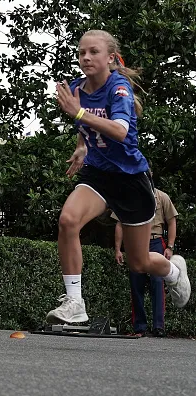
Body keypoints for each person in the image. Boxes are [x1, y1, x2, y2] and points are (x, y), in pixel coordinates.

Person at [47, 29, 190, 324]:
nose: (85, 57)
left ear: (110, 57)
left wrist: (78, 114)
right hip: (98, 175)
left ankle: (173, 271)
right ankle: (74, 302)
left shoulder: (119, 88)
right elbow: (84, 128)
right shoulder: (77, 88)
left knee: (139, 262)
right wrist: (81, 147)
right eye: (81, 52)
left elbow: (120, 131)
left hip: (130, 180)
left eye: (93, 52)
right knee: (68, 220)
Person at [113, 182, 178, 337]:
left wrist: (169, 246)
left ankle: (158, 327)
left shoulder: (162, 197)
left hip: (156, 242)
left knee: (157, 283)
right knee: (136, 283)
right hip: (135, 243)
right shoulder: (128, 198)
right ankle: (139, 328)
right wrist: (118, 249)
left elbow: (172, 221)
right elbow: (120, 224)